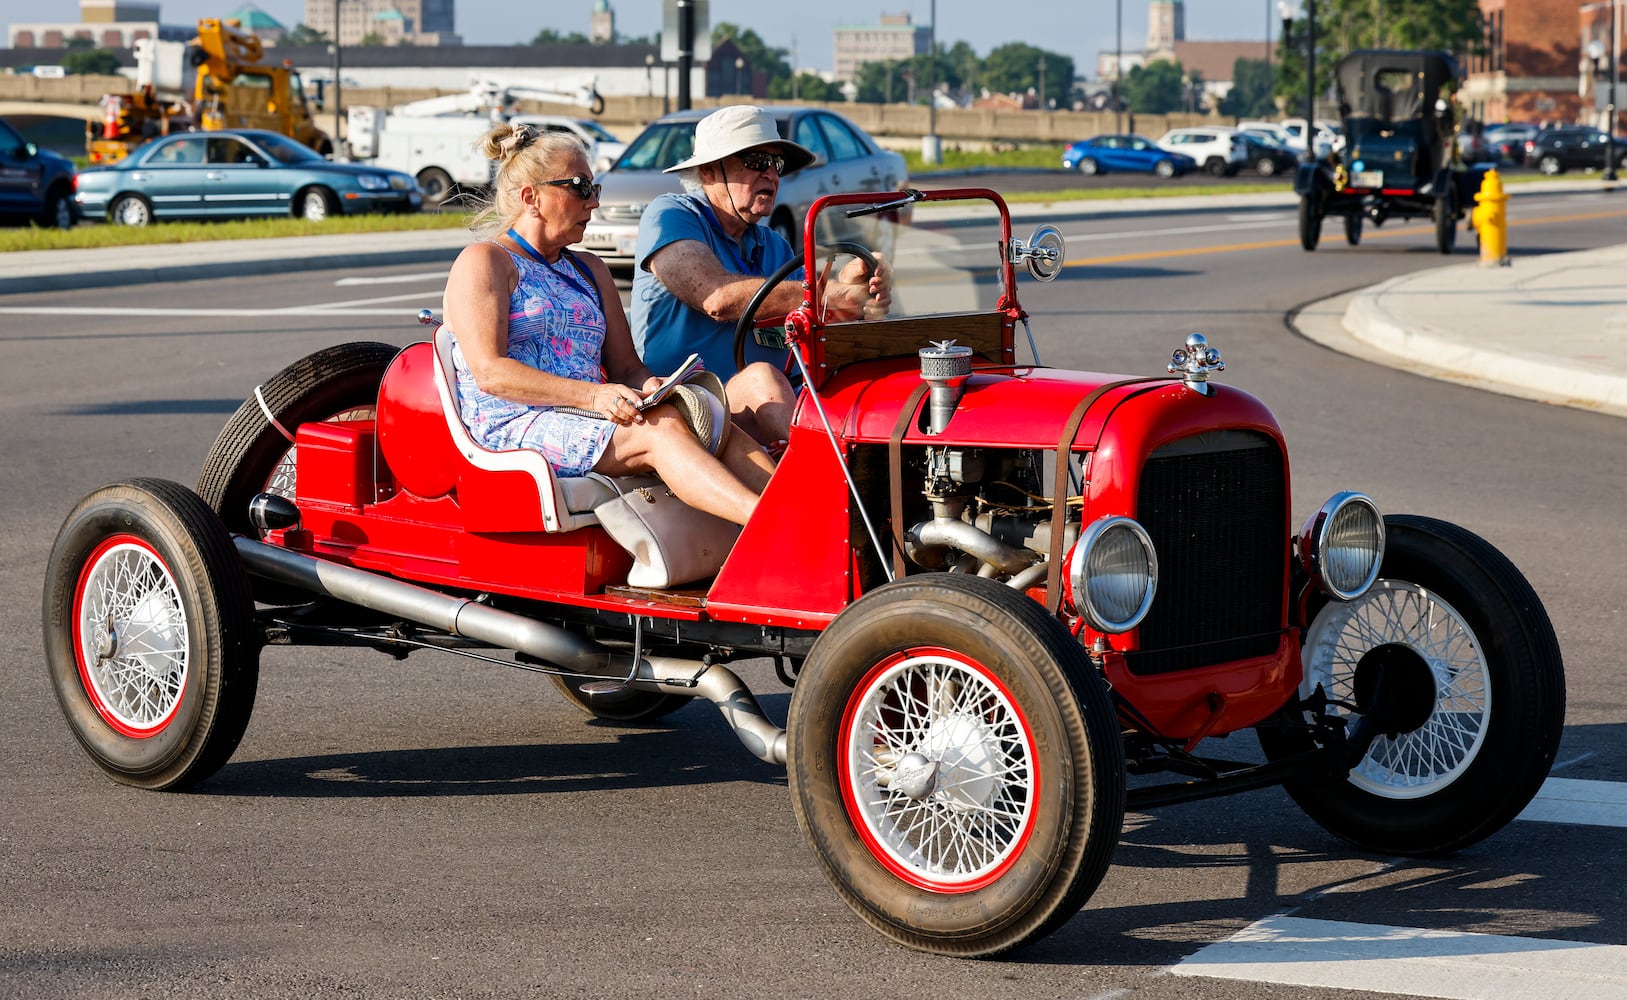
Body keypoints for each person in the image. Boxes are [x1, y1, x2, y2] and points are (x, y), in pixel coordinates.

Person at [440, 122, 773, 527]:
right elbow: (492, 373)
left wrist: (652, 386)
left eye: (595, 190)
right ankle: (770, 527)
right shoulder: (486, 261)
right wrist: (595, 397)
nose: (593, 203)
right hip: (516, 421)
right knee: (659, 429)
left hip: (586, 413)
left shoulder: (590, 268)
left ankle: (802, 511)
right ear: (532, 197)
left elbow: (627, 368)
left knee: (711, 417)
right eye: (580, 187)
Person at [631, 104, 892, 448]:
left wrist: (859, 295)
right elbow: (716, 298)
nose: (770, 174)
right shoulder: (671, 214)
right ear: (709, 172)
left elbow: (813, 320)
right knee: (763, 381)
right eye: (755, 162)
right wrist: (827, 293)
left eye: (776, 164)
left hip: (768, 408)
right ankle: (829, 487)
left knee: (879, 388)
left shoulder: (774, 246)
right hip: (683, 410)